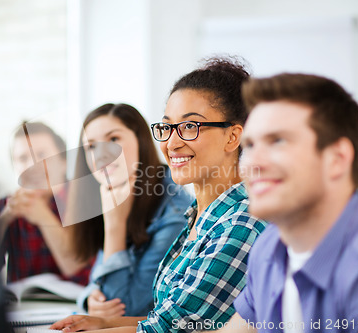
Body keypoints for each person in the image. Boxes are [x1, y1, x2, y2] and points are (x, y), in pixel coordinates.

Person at [51, 57, 267, 333]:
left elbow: (169, 331)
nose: (172, 143)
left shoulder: (242, 222)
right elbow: (171, 319)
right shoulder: (200, 217)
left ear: (232, 137)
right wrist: (103, 321)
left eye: (190, 126)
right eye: (167, 127)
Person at [214, 73, 358, 333]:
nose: (251, 165)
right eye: (250, 145)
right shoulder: (270, 247)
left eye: (277, 141)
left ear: (337, 159)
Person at [66, 103, 192, 317]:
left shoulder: (175, 212)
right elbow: (98, 282)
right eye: (91, 147)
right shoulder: (114, 194)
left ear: (141, 142)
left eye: (114, 139)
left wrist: (115, 226)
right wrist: (88, 299)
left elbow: (125, 308)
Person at [0, 121, 92, 284]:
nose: (32, 165)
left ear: (63, 162)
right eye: (22, 158)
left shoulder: (83, 200)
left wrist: (43, 217)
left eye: (41, 155)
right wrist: (3, 220)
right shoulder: (4, 207)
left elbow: (82, 272)